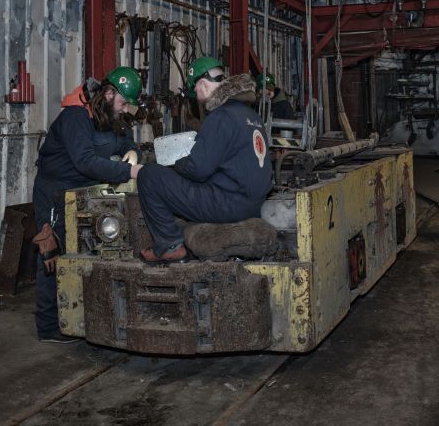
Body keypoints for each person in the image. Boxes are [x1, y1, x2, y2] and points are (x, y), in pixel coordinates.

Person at [32, 67, 143, 342]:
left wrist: (132, 151)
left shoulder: (107, 115)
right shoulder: (75, 117)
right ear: (108, 93)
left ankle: (84, 314)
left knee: (88, 253)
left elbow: (124, 141)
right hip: (56, 194)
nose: (125, 109)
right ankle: (48, 327)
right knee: (52, 255)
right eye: (122, 102)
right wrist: (129, 172)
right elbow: (85, 161)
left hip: (86, 192)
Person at [137, 57, 273, 262]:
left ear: (201, 85)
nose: (198, 99)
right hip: (252, 204)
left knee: (149, 175)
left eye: (196, 93)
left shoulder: (221, 116)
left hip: (228, 204)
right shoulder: (250, 116)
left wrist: (176, 165)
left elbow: (198, 168)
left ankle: (168, 245)